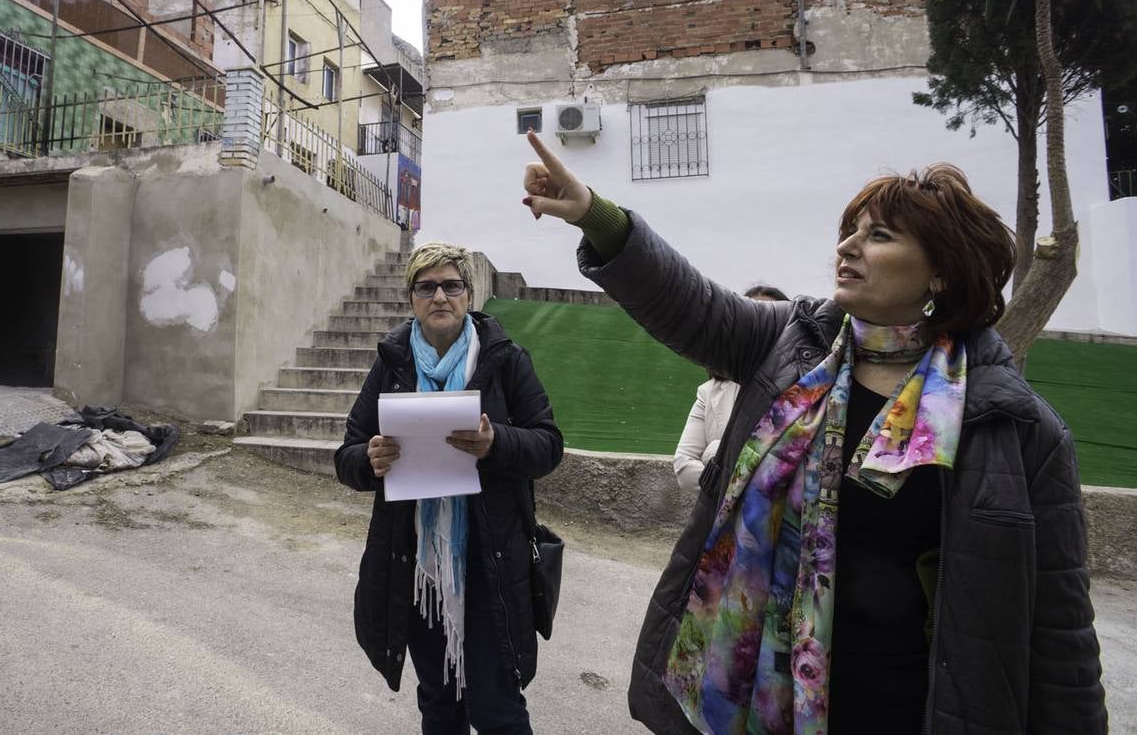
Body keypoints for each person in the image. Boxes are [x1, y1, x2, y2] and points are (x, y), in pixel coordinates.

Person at [520, 131, 1105, 735]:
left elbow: (1059, 630)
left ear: (940, 273)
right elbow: (687, 302)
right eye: (851, 230)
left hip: (903, 707)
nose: (848, 246)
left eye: (878, 235)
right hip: (748, 695)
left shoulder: (1015, 426)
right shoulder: (790, 343)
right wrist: (595, 214)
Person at [335, 241, 563, 735]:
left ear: (468, 294)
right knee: (439, 705)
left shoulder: (504, 359)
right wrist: (369, 460)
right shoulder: (392, 363)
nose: (441, 296)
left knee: (498, 709)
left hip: (490, 564)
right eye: (427, 287)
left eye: (452, 286)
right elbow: (347, 456)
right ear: (412, 297)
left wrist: (495, 443)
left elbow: (548, 445)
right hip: (416, 568)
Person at [673, 285, 788, 498]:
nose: (763, 328)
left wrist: (715, 454)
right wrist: (738, 489)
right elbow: (683, 468)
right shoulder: (708, 393)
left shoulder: (802, 389)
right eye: (755, 318)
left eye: (771, 319)